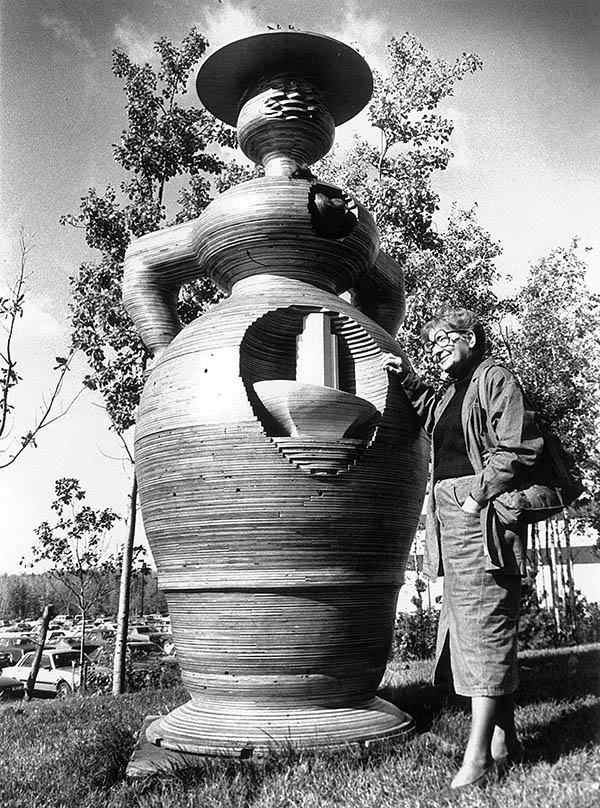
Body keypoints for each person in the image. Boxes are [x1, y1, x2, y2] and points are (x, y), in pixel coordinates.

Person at [382, 306, 543, 789]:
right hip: (453, 522)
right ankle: (504, 742)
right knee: (472, 631)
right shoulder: (455, 390)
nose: (434, 351)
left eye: (441, 342)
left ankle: (477, 760)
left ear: (469, 338)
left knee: (486, 629)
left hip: (483, 519)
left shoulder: (495, 379)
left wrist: (475, 498)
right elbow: (435, 416)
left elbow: (519, 447)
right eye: (429, 346)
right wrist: (407, 378)